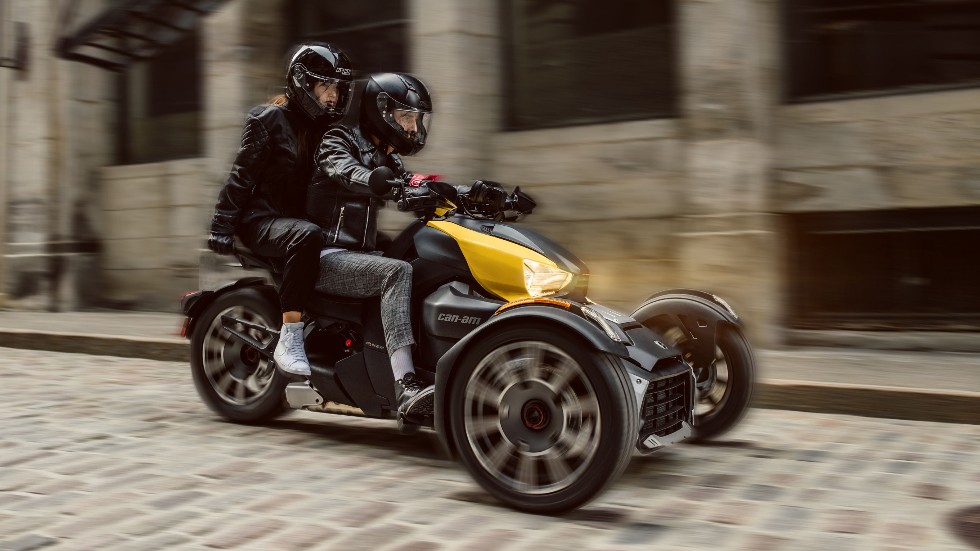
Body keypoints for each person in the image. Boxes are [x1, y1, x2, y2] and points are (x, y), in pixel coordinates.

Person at [206, 43, 354, 377]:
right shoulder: (268, 119)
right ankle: (290, 338)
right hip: (261, 220)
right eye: (326, 85)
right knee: (307, 236)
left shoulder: (326, 131)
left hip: (297, 221)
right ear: (303, 82)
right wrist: (221, 226)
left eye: (338, 87)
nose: (333, 95)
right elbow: (240, 177)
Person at [307, 72, 435, 417]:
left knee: (422, 266)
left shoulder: (386, 156)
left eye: (415, 119)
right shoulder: (338, 140)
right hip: (326, 255)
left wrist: (464, 191)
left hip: (358, 256)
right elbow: (347, 171)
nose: (412, 126)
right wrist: (379, 182)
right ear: (381, 113)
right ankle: (405, 384)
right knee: (396, 272)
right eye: (405, 117)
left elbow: (410, 181)